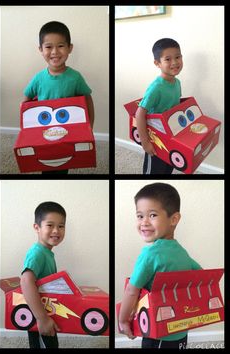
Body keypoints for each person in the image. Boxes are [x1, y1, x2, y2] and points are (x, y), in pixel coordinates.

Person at [118, 183, 202, 349]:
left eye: (153, 215)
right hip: (181, 327)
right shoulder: (181, 251)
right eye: (140, 216)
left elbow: (131, 290)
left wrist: (122, 320)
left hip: (158, 330)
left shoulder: (150, 255)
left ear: (174, 219)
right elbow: (200, 275)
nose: (144, 222)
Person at [23, 21, 94, 174]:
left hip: (67, 133)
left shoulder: (75, 78)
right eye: (48, 47)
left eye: (61, 46)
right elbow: (26, 100)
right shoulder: (38, 78)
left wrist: (89, 127)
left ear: (70, 48)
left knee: (64, 161)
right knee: (46, 162)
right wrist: (27, 129)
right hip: (43, 133)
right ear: (40, 50)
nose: (54, 52)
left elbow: (87, 99)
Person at [20, 201, 66, 348]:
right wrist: (42, 318)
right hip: (38, 314)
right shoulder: (37, 253)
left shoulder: (47, 253)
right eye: (50, 225)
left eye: (61, 226)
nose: (56, 231)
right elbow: (26, 282)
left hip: (46, 311)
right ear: (37, 227)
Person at [135, 38, 183, 174]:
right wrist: (145, 142)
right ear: (157, 63)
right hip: (156, 137)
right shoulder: (156, 88)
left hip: (170, 133)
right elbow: (140, 113)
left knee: (168, 166)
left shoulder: (177, 82)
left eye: (178, 57)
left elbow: (176, 106)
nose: (174, 62)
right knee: (154, 170)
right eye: (168, 59)